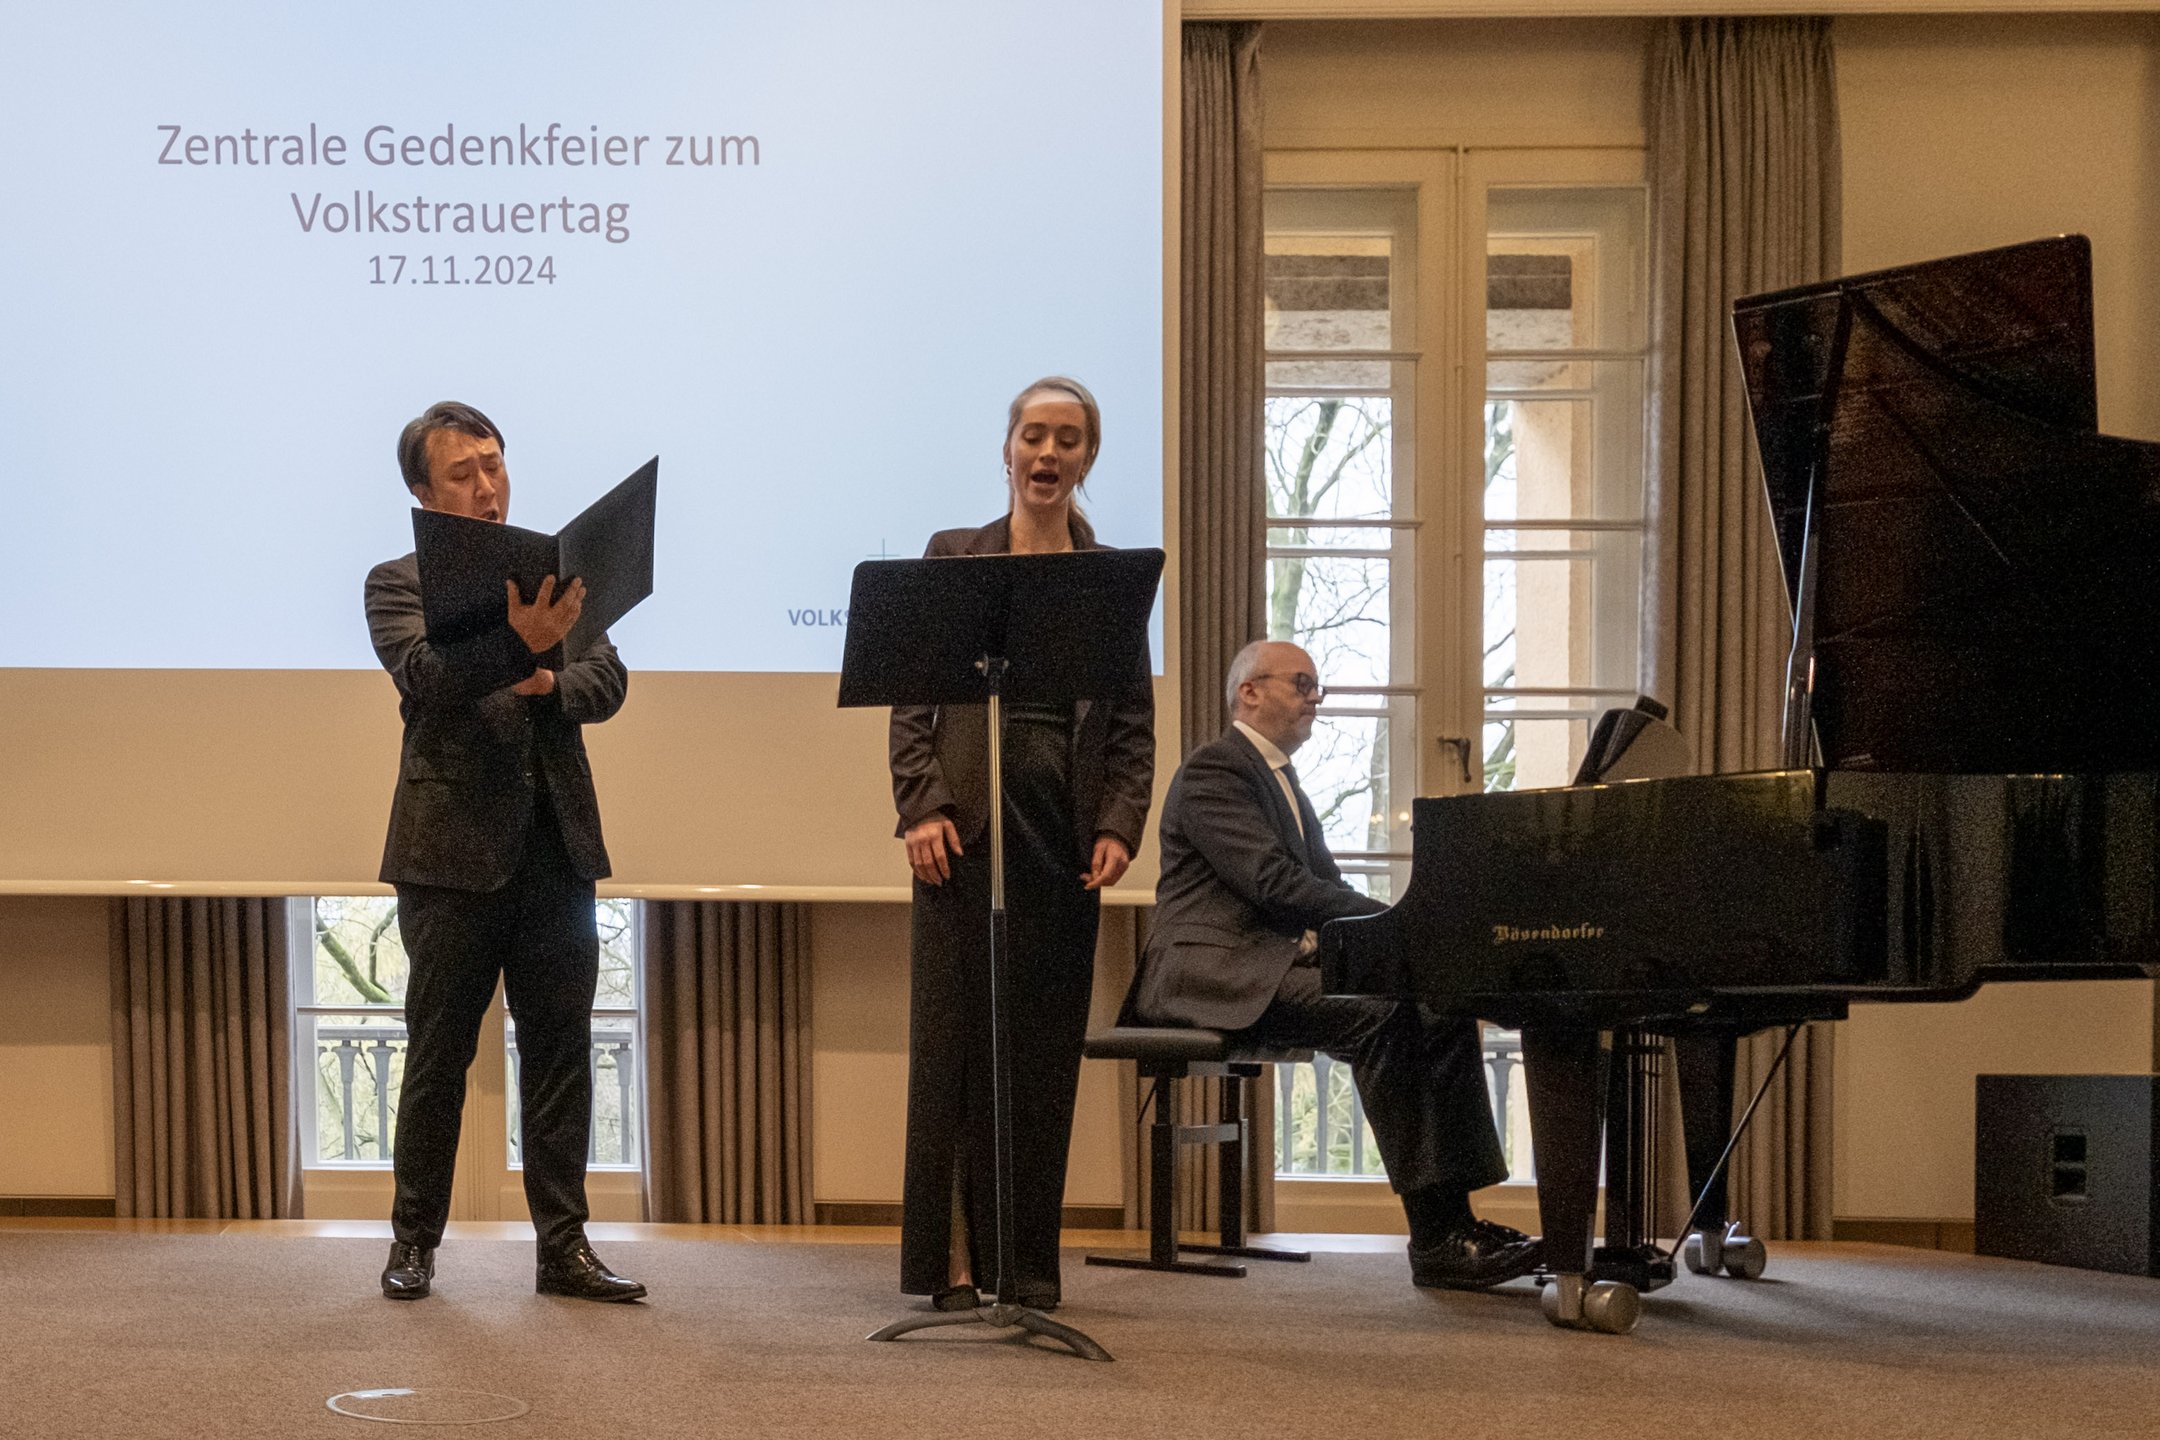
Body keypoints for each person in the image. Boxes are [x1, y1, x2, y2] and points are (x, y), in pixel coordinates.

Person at [1128, 639, 1541, 1290]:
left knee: (1437, 1002)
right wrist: (1398, 924)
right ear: (1249, 692)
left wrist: (1403, 937)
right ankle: (1435, 1240)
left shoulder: (1283, 782)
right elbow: (1272, 882)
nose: (1316, 698)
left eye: (1316, 686)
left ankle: (1457, 1222)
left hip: (1267, 966)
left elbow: (1327, 888)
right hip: (1208, 974)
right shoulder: (1215, 769)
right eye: (1302, 684)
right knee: (1380, 1015)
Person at [366, 400, 644, 1303]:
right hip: (448, 856)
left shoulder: (555, 576)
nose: (488, 487)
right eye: (464, 473)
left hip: (556, 848)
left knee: (561, 1055)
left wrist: (548, 677)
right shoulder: (397, 582)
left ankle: (563, 1249)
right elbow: (425, 677)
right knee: (438, 1055)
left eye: (495, 465)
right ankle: (414, 1243)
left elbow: (608, 679)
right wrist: (516, 644)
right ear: (424, 494)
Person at [887, 376, 1155, 1311]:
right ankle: (954, 1263)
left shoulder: (1109, 575)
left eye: (1067, 440)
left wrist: (1120, 822)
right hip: (959, 835)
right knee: (955, 1049)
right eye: (1034, 435)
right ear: (1006, 450)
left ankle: (1026, 1264)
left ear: (1087, 459)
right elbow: (911, 701)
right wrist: (920, 806)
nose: (1048, 453)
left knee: (1040, 1057)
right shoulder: (953, 555)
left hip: (1061, 841)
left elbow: (1131, 721)